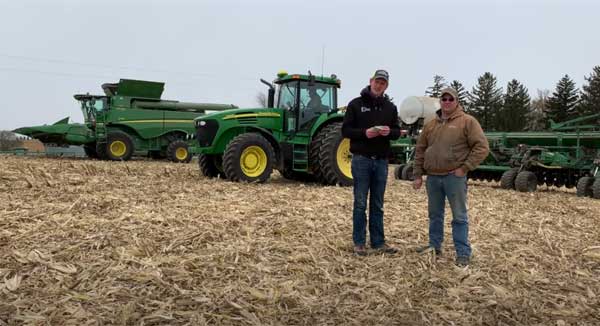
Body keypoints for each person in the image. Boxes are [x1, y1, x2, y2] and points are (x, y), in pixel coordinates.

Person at [412, 87, 489, 266]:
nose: (447, 102)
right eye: (444, 99)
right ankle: (434, 246)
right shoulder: (431, 124)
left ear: (457, 102)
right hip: (433, 178)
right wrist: (417, 174)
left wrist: (465, 168)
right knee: (435, 215)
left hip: (453, 177)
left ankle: (463, 252)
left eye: (450, 99)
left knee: (459, 216)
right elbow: (420, 149)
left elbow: (482, 147)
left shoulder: (467, 122)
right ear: (440, 101)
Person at [342, 69, 401, 256]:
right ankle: (359, 242)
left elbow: (397, 131)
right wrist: (364, 134)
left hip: (381, 162)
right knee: (360, 202)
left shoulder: (390, 108)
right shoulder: (355, 105)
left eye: (383, 83)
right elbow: (345, 130)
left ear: (386, 86)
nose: (379, 85)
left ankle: (378, 242)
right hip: (361, 160)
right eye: (377, 81)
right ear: (371, 81)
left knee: (377, 203)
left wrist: (388, 132)